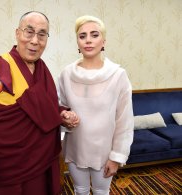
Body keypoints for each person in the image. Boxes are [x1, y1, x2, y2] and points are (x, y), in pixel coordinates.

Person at [0, 11, 79, 195]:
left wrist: (62, 114)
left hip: (42, 159)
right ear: (17, 33)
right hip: (7, 164)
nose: (35, 40)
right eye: (29, 31)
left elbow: (42, 107)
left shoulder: (43, 69)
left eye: (42, 34)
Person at [58, 15, 134, 195]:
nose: (88, 40)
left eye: (94, 35)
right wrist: (64, 119)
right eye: (82, 36)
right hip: (75, 148)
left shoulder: (118, 75)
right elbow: (59, 110)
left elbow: (124, 120)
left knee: (101, 192)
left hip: (105, 152)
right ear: (77, 42)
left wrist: (117, 157)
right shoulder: (66, 74)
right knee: (80, 190)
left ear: (103, 41)